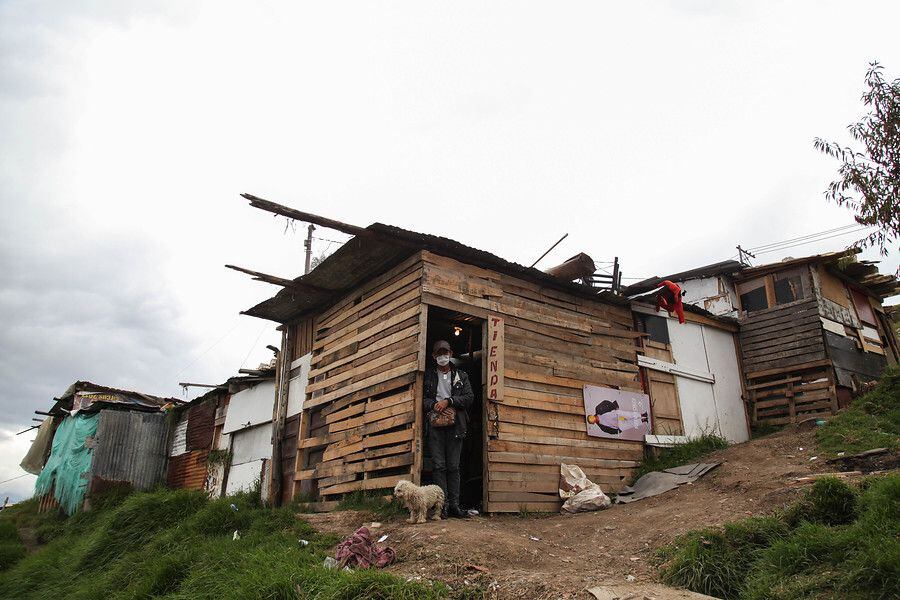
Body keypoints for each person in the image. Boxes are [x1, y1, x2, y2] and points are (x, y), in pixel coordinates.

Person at [423, 339, 474, 518]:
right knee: (439, 466)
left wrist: (449, 401)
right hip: (436, 426)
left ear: (451, 354)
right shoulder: (428, 376)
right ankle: (441, 507)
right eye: (439, 353)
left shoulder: (461, 375)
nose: (443, 356)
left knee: (453, 466)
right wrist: (433, 405)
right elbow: (421, 399)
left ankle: (454, 506)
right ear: (433, 356)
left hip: (456, 425)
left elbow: (469, 398)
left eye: (446, 353)